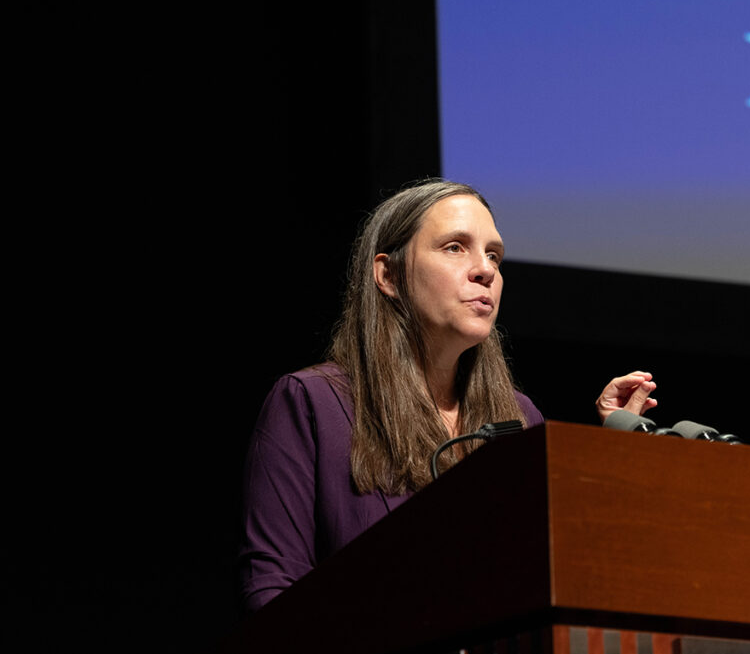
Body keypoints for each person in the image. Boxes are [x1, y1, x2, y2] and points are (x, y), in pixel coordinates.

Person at [238, 180, 656, 612]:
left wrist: (612, 456)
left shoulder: (518, 418)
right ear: (388, 275)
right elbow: (271, 591)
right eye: (456, 247)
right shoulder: (312, 404)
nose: (486, 270)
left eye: (493, 255)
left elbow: (562, 574)